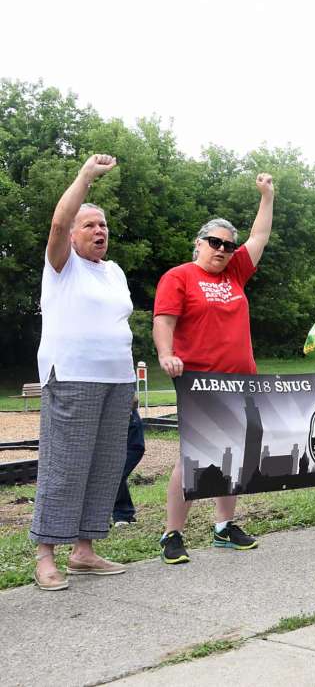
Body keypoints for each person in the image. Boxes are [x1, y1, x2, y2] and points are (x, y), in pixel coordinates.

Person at [154, 173, 275, 564]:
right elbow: (164, 320)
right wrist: (165, 353)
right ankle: (172, 534)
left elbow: (258, 238)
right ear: (199, 243)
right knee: (194, 455)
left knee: (236, 454)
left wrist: (267, 196)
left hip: (242, 379)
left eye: (228, 245)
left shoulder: (235, 272)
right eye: (215, 242)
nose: (222, 249)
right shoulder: (180, 277)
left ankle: (224, 527)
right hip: (200, 380)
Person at [31, 154, 135, 590]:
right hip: (71, 375)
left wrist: (129, 382)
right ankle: (46, 556)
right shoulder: (62, 266)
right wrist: (85, 178)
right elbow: (57, 223)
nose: (99, 231)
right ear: (73, 233)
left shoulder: (113, 272)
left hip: (117, 380)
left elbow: (119, 326)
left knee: (104, 466)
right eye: (90, 224)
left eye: (104, 226)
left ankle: (85, 551)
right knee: (65, 465)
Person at [112, 398, 146, 525]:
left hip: (125, 411)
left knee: (117, 469)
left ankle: (122, 512)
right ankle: (121, 513)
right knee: (114, 470)